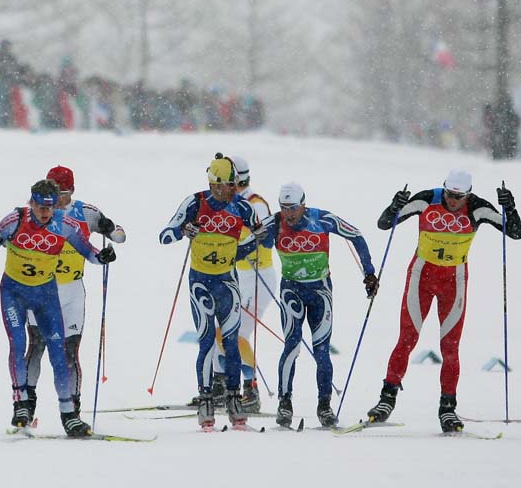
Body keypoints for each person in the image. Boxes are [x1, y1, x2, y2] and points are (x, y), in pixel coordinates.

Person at [366, 170, 521, 432]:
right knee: (407, 339)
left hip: (455, 280)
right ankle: (386, 399)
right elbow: (385, 223)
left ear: (468, 194)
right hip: (421, 276)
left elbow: (515, 233)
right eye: (450, 194)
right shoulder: (428, 199)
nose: (453, 201)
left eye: (459, 197)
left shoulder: (478, 207)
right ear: (444, 189)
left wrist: (511, 207)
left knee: (450, 347)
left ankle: (447, 409)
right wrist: (395, 204)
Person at [0, 178, 116, 438]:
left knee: (58, 352)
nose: (44, 212)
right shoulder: (15, 220)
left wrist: (102, 257)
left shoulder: (64, 225)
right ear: (32, 202)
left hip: (46, 295)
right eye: (39, 206)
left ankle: (69, 415)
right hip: (15, 294)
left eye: (49, 208)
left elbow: (90, 253)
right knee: (19, 344)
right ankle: (21, 405)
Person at [256, 182, 376, 429]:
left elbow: (355, 235)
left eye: (293, 208)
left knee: (322, 350)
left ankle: (324, 406)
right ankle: (284, 404)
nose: (288, 213)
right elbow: (245, 241)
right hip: (292, 291)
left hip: (320, 292)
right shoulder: (274, 222)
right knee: (292, 345)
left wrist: (369, 272)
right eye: (284, 207)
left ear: (303, 205)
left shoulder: (321, 218)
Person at [158, 153, 260, 429]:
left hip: (228, 282)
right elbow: (164, 235)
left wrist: (241, 251)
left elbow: (264, 235)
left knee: (232, 342)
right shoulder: (195, 202)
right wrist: (184, 230)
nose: (233, 189)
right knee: (205, 341)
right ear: (216, 183)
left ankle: (234, 398)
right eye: (229, 184)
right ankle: (205, 400)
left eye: (235, 184)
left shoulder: (242, 208)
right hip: (201, 283)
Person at [23, 166, 126, 418]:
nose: (59, 200)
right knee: (36, 346)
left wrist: (111, 231)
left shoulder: (86, 213)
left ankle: (73, 408)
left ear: (73, 191)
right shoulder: (35, 213)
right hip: (41, 290)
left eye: (65, 193)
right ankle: (26, 404)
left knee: (70, 351)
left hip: (72, 292)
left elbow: (120, 235)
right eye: (55, 192)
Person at [226, 155, 276, 412]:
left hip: (259, 277)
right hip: (240, 276)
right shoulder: (231, 203)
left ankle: (251, 392)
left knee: (237, 335)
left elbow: (266, 240)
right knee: (221, 332)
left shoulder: (256, 205)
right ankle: (220, 387)